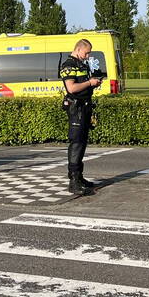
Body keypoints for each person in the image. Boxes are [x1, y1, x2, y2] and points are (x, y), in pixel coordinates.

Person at [59, 38, 101, 196]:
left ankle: (79, 177)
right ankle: (73, 181)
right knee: (76, 143)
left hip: (84, 107)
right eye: (86, 52)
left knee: (82, 142)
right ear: (78, 49)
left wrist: (93, 83)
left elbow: (83, 83)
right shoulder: (68, 65)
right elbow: (71, 88)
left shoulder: (81, 64)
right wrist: (90, 83)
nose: (88, 55)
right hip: (75, 108)